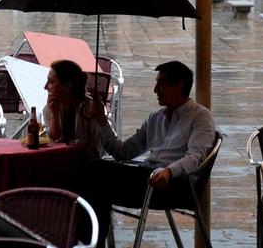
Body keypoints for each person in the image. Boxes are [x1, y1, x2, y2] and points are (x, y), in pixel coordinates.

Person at [83, 61, 216, 246]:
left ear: (178, 86)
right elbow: (123, 152)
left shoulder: (201, 116)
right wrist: (101, 120)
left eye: (161, 83)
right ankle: (93, 241)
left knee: (93, 171)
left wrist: (169, 171)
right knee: (93, 180)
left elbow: (195, 158)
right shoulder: (155, 118)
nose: (155, 89)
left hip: (173, 185)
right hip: (147, 179)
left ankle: (86, 239)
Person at [43, 60, 102, 160]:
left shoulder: (91, 109)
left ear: (67, 86)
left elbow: (96, 150)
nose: (45, 87)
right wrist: (55, 114)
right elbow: (53, 141)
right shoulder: (50, 108)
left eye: (51, 82)